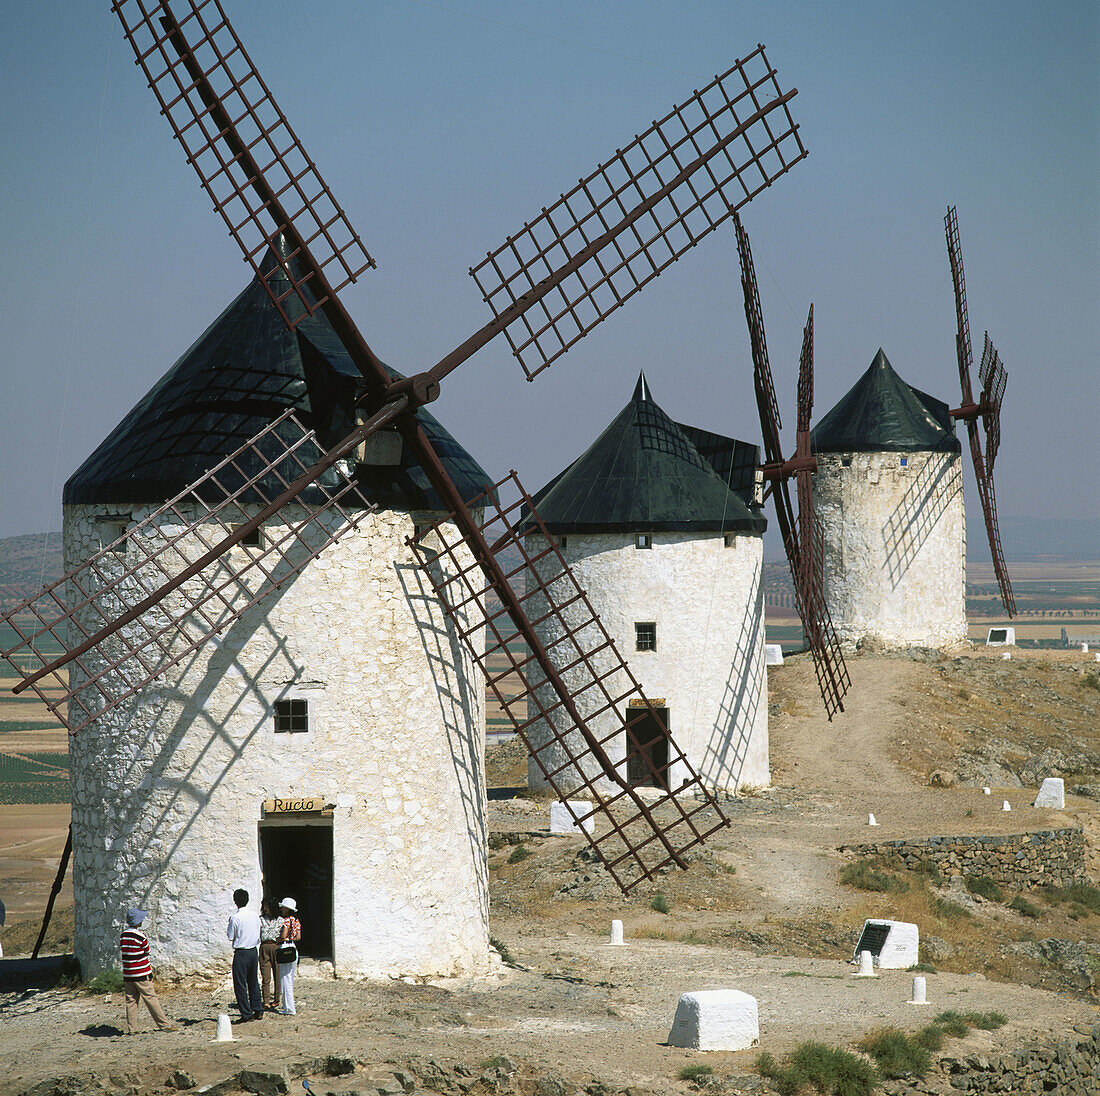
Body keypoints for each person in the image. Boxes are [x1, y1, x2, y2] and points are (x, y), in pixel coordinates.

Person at [119, 908, 177, 1033]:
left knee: (131, 1001)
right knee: (151, 998)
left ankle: (132, 1029)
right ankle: (164, 1025)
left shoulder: (123, 935)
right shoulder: (140, 936)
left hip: (128, 974)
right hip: (141, 973)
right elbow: (147, 950)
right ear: (138, 922)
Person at [226, 887, 263, 1022]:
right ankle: (258, 1009)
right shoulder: (254, 915)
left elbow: (230, 936)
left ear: (235, 901)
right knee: (253, 981)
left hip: (241, 952)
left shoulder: (235, 918)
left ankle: (246, 1013)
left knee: (240, 984)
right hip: (253, 950)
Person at [275, 897, 301, 1016]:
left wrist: (278, 939)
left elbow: (284, 934)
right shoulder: (296, 921)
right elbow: (298, 937)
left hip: (285, 947)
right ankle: (288, 1007)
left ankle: (289, 1008)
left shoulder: (286, 921)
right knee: (290, 978)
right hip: (293, 948)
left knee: (285, 979)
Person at [258, 898, 284, 1011]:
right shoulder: (260, 920)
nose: (265, 909)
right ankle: (266, 1000)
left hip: (275, 946)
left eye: (267, 907)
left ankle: (277, 998)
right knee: (265, 975)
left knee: (277, 974)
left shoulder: (280, 920)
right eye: (264, 907)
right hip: (264, 947)